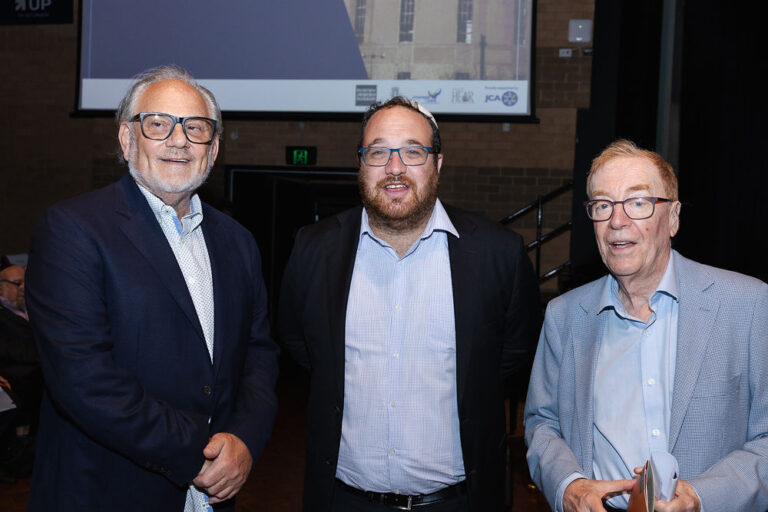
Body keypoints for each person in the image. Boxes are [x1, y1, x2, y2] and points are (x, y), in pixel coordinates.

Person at [25, 65, 279, 511]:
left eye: (196, 128)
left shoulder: (238, 241)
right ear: (127, 140)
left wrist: (244, 440)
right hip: (107, 492)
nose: (179, 140)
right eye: (158, 124)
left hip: (213, 494)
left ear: (213, 148)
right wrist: (199, 452)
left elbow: (259, 353)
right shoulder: (73, 229)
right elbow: (83, 378)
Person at [279, 97, 540, 511]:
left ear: (437, 165)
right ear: (361, 165)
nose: (395, 168)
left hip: (458, 503)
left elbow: (510, 358)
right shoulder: (314, 250)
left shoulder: (498, 255)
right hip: (344, 502)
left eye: (413, 152)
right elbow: (300, 346)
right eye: (379, 152)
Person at [524, 139, 768, 512]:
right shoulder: (564, 317)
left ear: (672, 218)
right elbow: (543, 424)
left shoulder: (747, 306)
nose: (617, 221)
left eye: (638, 202)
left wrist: (703, 496)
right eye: (603, 205)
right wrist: (569, 486)